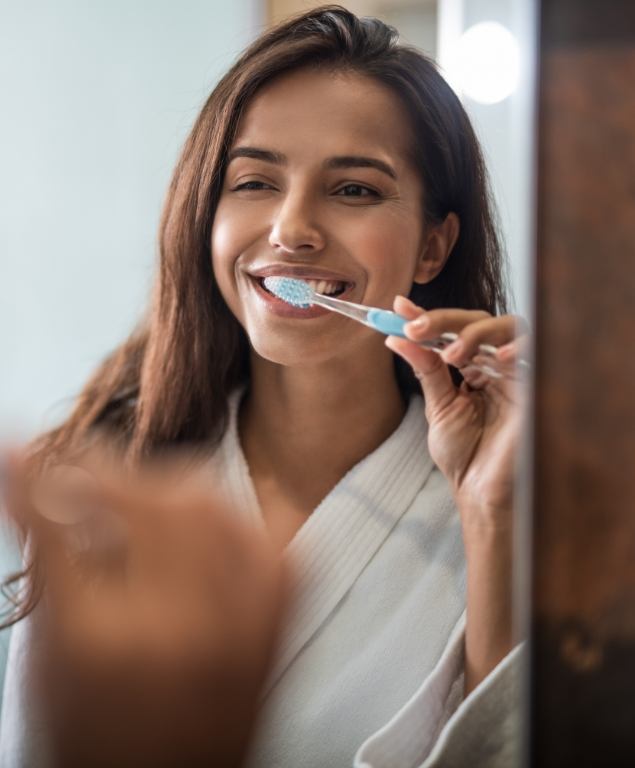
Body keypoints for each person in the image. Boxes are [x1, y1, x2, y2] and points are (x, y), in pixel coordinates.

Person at [0, 6, 527, 767]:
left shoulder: (516, 512)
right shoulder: (104, 489)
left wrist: (492, 517)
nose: (291, 228)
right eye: (253, 181)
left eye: (353, 190)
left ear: (433, 244)